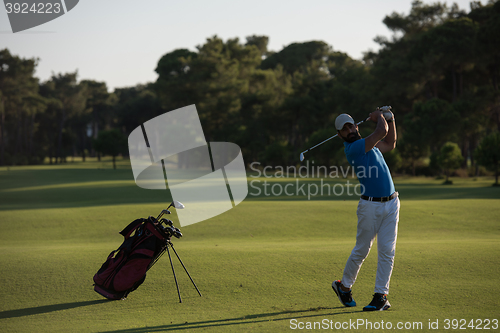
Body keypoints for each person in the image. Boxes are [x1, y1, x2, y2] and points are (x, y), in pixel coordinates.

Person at [331, 108, 399, 311]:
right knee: (362, 249)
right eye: (345, 129)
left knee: (387, 251)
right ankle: (344, 287)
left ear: (356, 126)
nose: (350, 130)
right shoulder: (353, 149)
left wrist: (391, 119)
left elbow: (390, 143)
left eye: (351, 125)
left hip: (392, 203)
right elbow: (381, 133)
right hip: (370, 206)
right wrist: (379, 117)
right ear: (340, 135)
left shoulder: (371, 146)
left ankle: (381, 296)